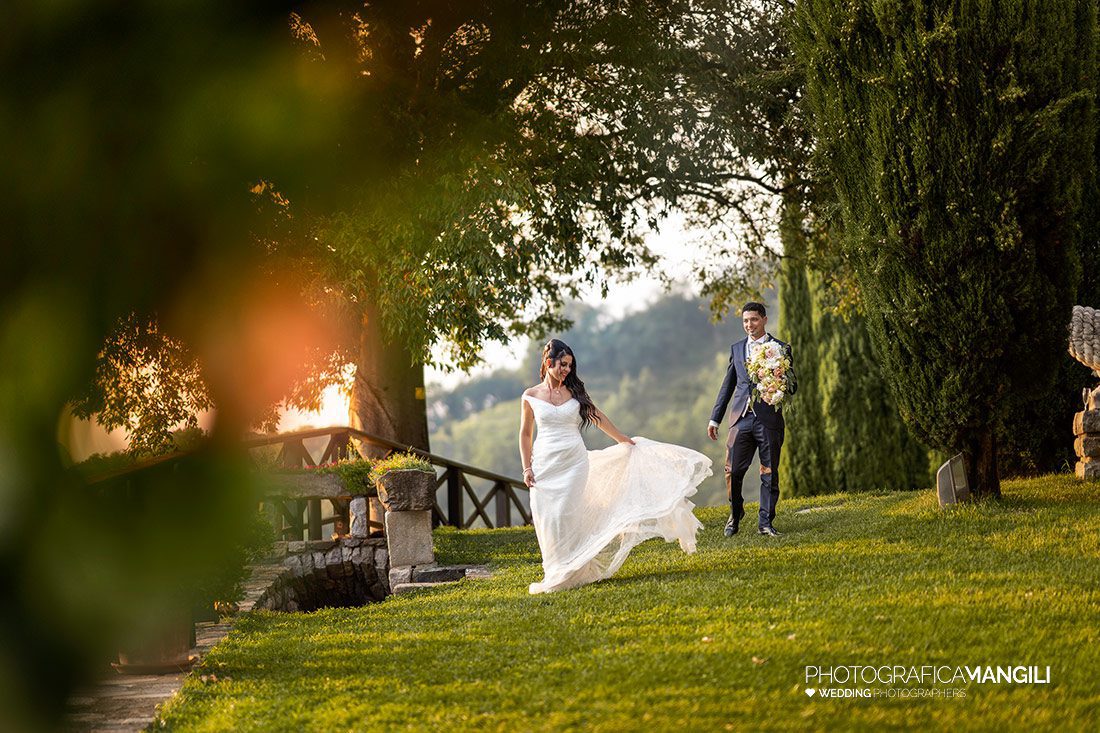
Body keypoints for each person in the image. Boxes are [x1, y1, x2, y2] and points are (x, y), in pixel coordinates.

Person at [518, 339, 710, 594]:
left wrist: (622, 439)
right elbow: (525, 434)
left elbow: (597, 416)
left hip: (574, 463)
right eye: (562, 365)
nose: (566, 370)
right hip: (544, 465)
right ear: (548, 362)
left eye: (569, 366)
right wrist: (527, 468)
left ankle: (573, 569)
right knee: (548, 518)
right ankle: (556, 570)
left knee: (568, 512)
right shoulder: (530, 396)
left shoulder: (574, 394)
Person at [708, 302, 797, 537]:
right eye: (746, 321)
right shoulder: (737, 349)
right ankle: (735, 513)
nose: (749, 325)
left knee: (769, 472)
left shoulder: (780, 348)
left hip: (768, 420)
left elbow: (793, 385)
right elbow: (727, 386)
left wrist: (778, 382)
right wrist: (714, 419)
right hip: (741, 419)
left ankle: (765, 523)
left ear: (764, 320)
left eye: (754, 320)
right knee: (733, 470)